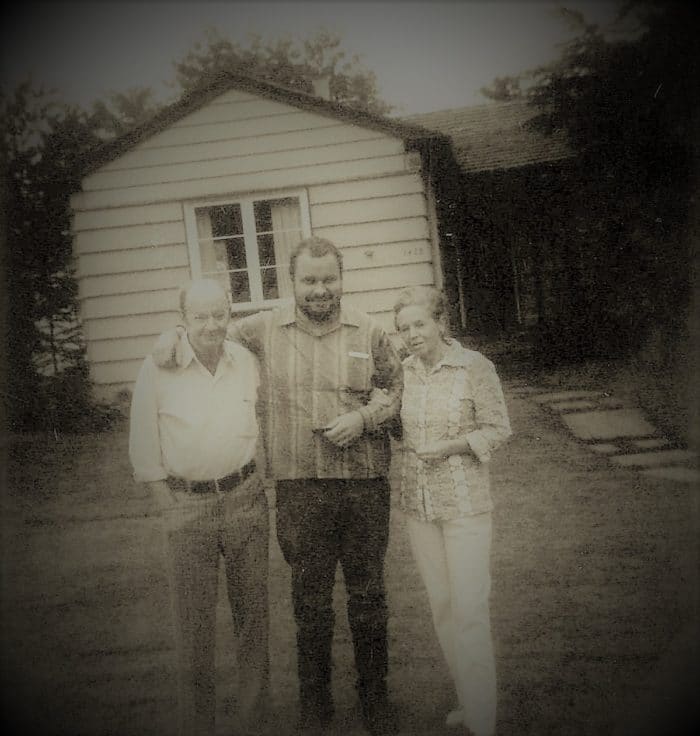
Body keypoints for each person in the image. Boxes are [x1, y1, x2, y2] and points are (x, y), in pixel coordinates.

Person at [152, 237, 403, 736]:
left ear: (341, 278)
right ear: (292, 282)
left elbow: (396, 389)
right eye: (308, 280)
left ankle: (375, 699)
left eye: (328, 279)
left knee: (368, 596)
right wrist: (172, 336)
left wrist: (364, 416)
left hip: (363, 485)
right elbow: (210, 330)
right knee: (309, 602)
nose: (319, 290)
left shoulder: (371, 330)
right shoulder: (261, 329)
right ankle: (316, 705)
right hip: (299, 489)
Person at [129, 279, 270, 736]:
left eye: (219, 315)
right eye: (200, 317)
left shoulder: (246, 361)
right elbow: (143, 445)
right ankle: (198, 723)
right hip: (186, 507)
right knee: (193, 625)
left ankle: (256, 721)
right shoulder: (157, 368)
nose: (211, 326)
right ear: (183, 321)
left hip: (246, 499)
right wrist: (167, 506)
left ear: (230, 314)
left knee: (253, 618)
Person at [392, 286, 511, 736]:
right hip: (417, 506)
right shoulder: (402, 372)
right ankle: (468, 697)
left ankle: (483, 722)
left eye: (419, 324)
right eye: (403, 328)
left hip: (465, 505)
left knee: (470, 608)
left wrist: (451, 446)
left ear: (441, 322)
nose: (411, 334)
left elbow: (498, 429)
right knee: (442, 607)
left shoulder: (475, 367)